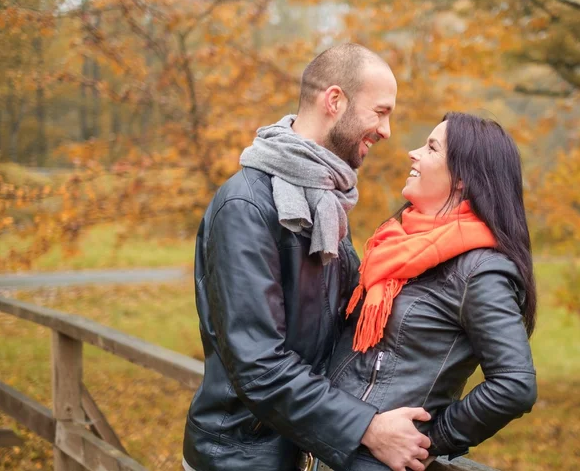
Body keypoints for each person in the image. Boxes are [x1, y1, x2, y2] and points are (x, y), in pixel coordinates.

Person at [183, 43, 432, 471]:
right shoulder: (247, 206)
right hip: (239, 459)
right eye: (380, 111)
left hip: (300, 449)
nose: (387, 130)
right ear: (335, 100)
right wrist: (366, 428)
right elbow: (259, 364)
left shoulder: (325, 201)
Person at [325, 112, 538, 470]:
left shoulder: (481, 270)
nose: (413, 152)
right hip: (332, 440)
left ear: (461, 179)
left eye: (431, 147)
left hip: (372, 460)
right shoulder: (399, 244)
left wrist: (429, 440)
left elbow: (515, 385)